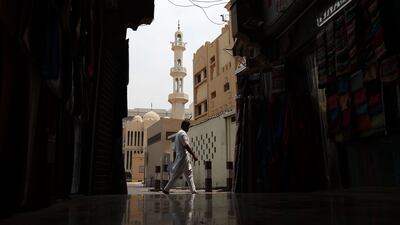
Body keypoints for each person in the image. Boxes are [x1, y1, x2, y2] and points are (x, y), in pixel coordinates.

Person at [162, 119, 198, 194]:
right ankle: (166, 189)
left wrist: (175, 160)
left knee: (188, 174)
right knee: (179, 175)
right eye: (188, 126)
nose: (188, 128)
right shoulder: (183, 134)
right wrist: (194, 155)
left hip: (181, 158)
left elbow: (175, 150)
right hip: (183, 158)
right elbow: (186, 146)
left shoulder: (178, 134)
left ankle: (193, 190)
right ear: (184, 126)